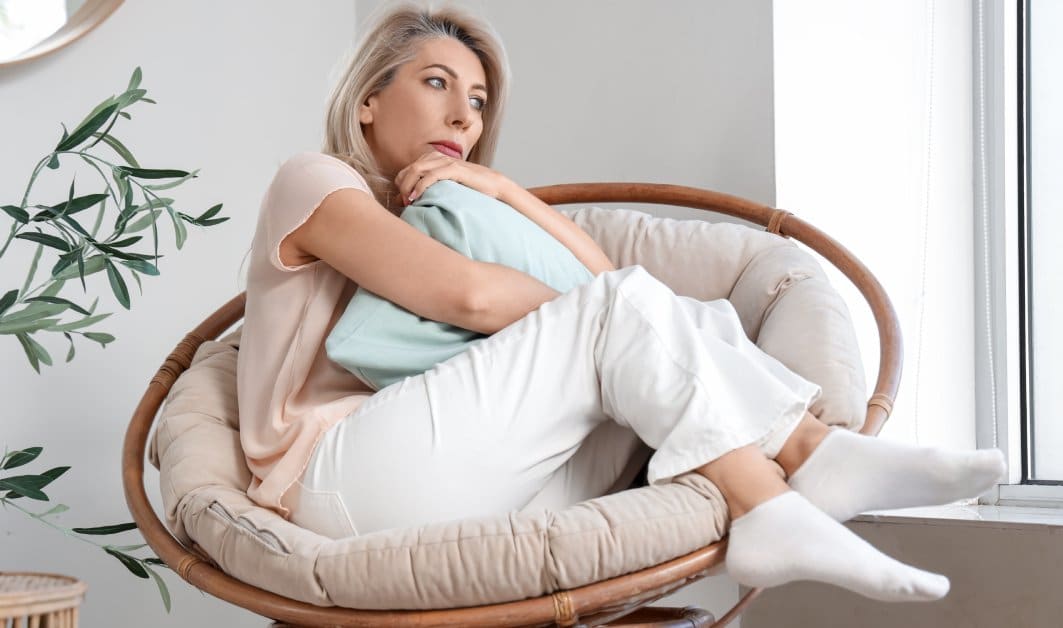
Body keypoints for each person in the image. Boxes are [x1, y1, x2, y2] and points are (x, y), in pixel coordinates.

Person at [236, 2, 1006, 602]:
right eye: (436, 83)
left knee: (678, 323)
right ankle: (786, 484)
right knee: (620, 313)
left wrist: (504, 189)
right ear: (368, 100)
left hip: (472, 482)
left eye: (477, 99)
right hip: (336, 484)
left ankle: (808, 463)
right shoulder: (313, 181)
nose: (465, 116)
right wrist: (596, 316)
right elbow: (469, 296)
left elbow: (608, 278)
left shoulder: (449, 211)